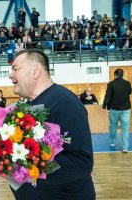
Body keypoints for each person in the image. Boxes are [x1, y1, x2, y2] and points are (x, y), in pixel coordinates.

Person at [9, 49, 95, 200]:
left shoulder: (65, 103)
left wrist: (32, 168)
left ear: (36, 71)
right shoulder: (31, 103)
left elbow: (81, 162)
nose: (11, 74)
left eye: (15, 69)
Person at [102, 68, 132, 153]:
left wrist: (104, 106)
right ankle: (125, 147)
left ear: (115, 75)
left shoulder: (111, 84)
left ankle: (112, 143)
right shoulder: (127, 83)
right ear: (122, 75)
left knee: (113, 126)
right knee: (125, 129)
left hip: (114, 109)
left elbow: (108, 95)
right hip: (126, 109)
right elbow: (129, 92)